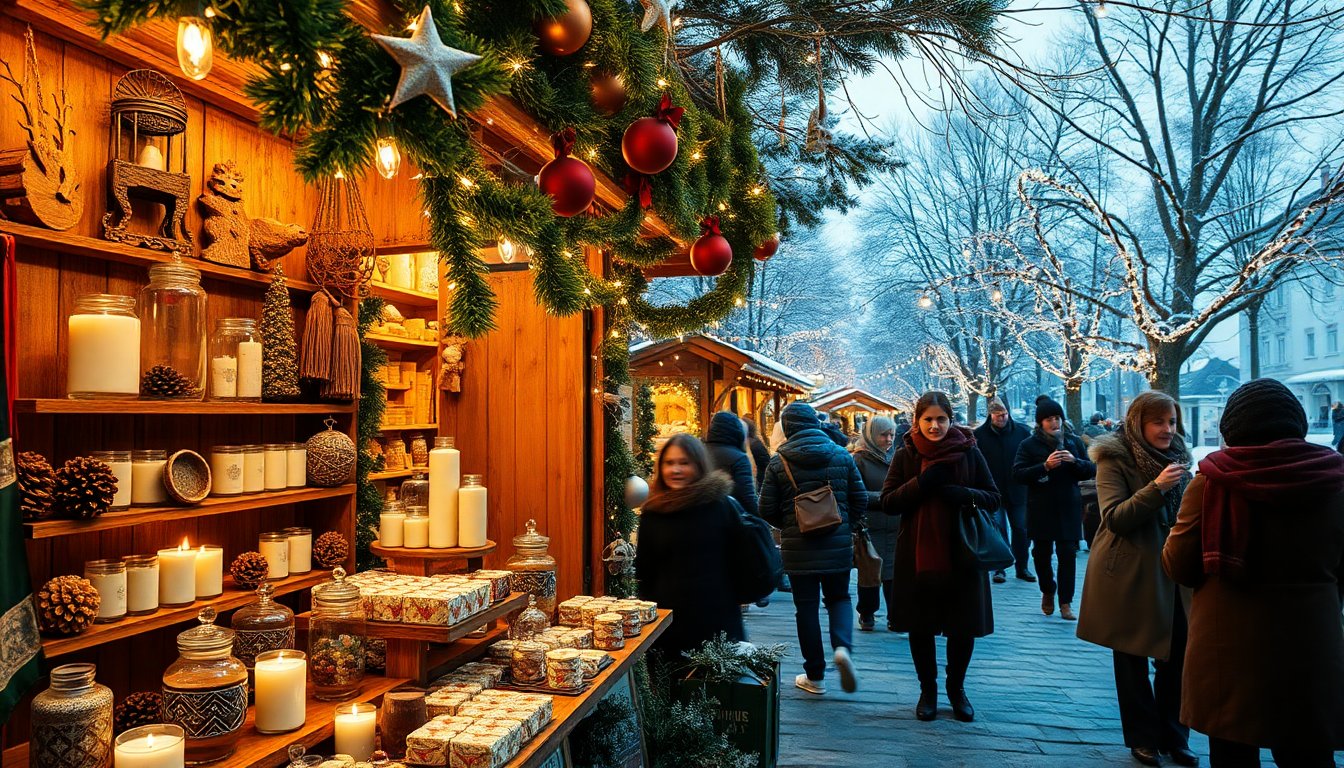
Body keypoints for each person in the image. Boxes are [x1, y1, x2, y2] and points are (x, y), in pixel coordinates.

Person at [1163, 379, 1344, 767]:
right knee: (1309, 754)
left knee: (1232, 754)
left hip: (1227, 647)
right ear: (1298, 424)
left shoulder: (1210, 483)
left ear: (1233, 429)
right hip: (1311, 642)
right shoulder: (1334, 481)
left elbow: (1179, 564)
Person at [1077, 392, 1197, 767]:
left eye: (1172, 421)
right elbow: (1115, 517)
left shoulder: (1181, 458)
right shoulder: (1114, 458)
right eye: (1158, 422)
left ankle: (1175, 737)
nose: (1167, 429)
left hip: (1175, 573)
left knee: (1177, 658)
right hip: (1130, 572)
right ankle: (1142, 738)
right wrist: (1157, 488)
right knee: (1131, 658)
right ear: (1138, 423)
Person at [881, 391, 1002, 723]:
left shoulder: (969, 450)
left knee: (962, 626)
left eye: (941, 419)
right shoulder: (906, 453)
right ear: (917, 421)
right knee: (921, 626)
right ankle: (928, 691)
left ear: (951, 419)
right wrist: (921, 483)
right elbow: (889, 501)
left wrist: (962, 495)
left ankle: (957, 689)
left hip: (963, 552)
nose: (935, 426)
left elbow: (993, 497)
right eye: (928, 419)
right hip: (917, 555)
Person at [759, 402, 866, 695]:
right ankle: (842, 647)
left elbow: (765, 508)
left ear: (788, 427)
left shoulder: (778, 462)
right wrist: (845, 524)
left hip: (798, 548)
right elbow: (860, 500)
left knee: (805, 608)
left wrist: (792, 524)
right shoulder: (842, 455)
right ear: (815, 423)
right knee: (839, 598)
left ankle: (815, 676)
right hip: (837, 544)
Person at [636, 433, 746, 663]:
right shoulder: (653, 512)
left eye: (684, 463)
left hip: (717, 616)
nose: (676, 470)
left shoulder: (719, 505)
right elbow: (645, 572)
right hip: (668, 621)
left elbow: (740, 559)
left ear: (699, 465)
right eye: (669, 463)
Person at [1013, 397, 1096, 621]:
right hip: (1041, 507)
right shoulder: (1029, 445)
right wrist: (1045, 466)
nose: (1054, 422)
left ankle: (1066, 602)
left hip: (1069, 506)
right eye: (1049, 419)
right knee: (1041, 554)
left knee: (1068, 554)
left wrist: (1074, 462)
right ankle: (1048, 590)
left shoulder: (1073, 442)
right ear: (1041, 423)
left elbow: (1090, 469)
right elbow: (1018, 474)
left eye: (1057, 418)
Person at [973, 398, 1034, 584]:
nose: (1002, 418)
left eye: (1004, 414)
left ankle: (1022, 566)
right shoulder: (980, 436)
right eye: (998, 415)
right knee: (998, 530)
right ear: (990, 415)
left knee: (1021, 529)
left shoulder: (1022, 432)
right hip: (993, 491)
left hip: (1019, 489)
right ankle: (1000, 567)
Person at [851, 416, 897, 631]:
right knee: (870, 571)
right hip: (870, 526)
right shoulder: (859, 460)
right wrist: (887, 497)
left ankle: (895, 615)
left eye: (892, 435)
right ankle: (867, 612)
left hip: (896, 524)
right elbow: (856, 494)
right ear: (871, 435)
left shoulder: (894, 457)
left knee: (893, 573)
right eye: (884, 435)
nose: (889, 439)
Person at [705, 411, 759, 515]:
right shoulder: (739, 458)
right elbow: (747, 496)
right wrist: (760, 521)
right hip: (731, 517)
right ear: (736, 430)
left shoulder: (700, 451)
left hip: (704, 518)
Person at [745, 418, 771, 491]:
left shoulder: (748, 442)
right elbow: (767, 462)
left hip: (757, 480)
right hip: (759, 480)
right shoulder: (754, 442)